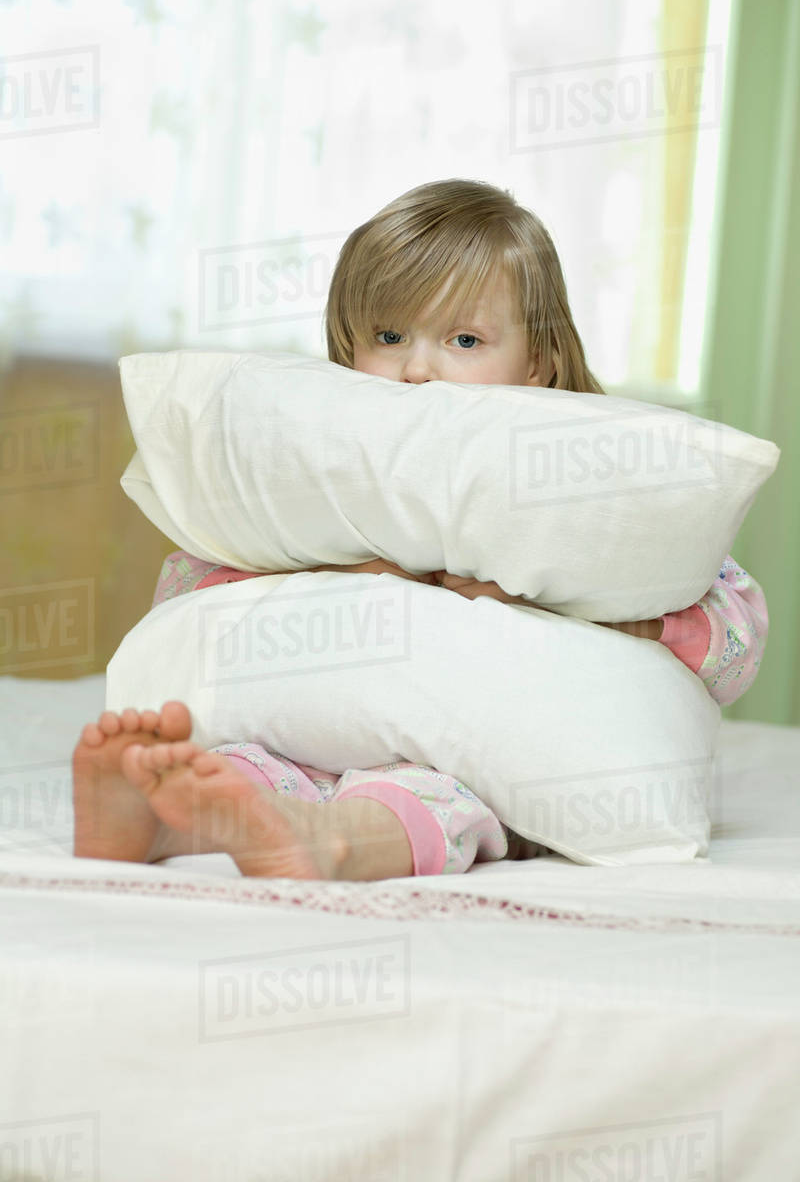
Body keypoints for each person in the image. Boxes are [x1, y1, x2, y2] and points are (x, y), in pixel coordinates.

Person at [72, 179, 768, 881]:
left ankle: (330, 841)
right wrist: (328, 578)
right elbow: (192, 591)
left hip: (465, 756)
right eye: (388, 335)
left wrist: (619, 620)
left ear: (539, 360)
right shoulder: (319, 469)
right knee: (240, 768)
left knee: (437, 797)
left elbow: (734, 644)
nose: (416, 369)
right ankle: (161, 823)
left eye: (464, 339)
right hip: (310, 724)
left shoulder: (587, 479)